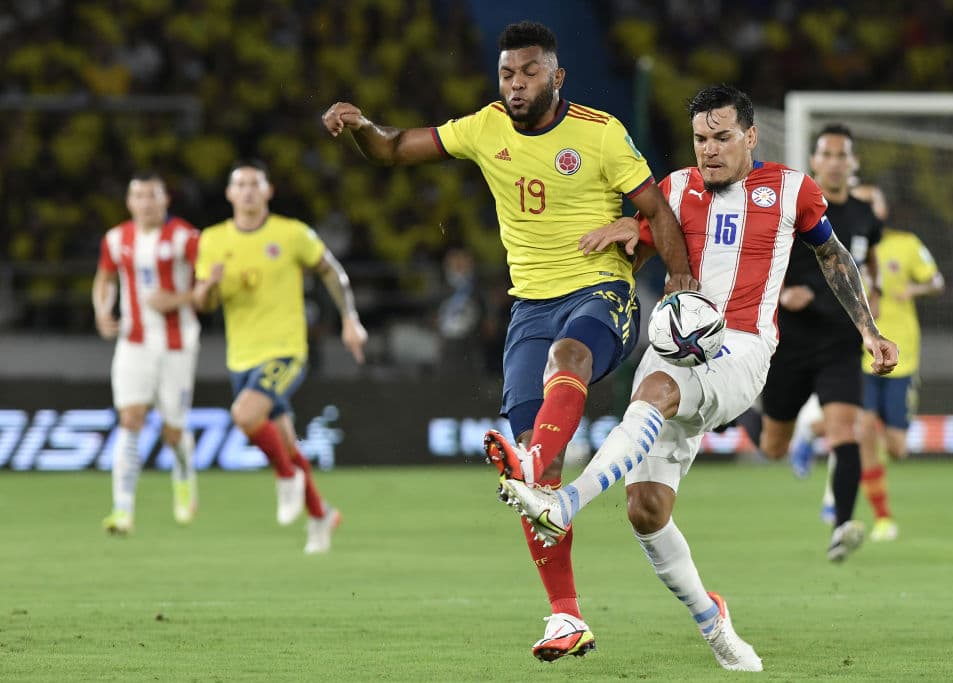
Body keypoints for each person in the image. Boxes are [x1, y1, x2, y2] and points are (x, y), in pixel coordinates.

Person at [321, 20, 695, 660]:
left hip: (601, 294)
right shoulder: (484, 126)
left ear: (557, 75)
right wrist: (360, 128)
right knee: (543, 473)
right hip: (529, 310)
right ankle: (565, 617)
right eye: (506, 74)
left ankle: (524, 466)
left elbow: (658, 209)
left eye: (527, 72)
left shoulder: (601, 134)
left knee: (567, 361)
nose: (515, 84)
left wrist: (682, 285)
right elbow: (390, 149)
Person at [500, 85, 899, 671]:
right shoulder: (674, 189)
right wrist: (625, 243)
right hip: (673, 342)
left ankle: (563, 504)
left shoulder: (792, 189)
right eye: (700, 139)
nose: (709, 150)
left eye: (721, 137)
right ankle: (716, 624)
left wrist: (869, 330)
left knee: (652, 393)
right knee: (646, 509)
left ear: (750, 136)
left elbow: (833, 255)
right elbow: (640, 243)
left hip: (742, 349)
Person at [191, 160, 368, 554]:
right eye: (241, 185)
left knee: (244, 414)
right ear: (229, 194)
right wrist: (210, 286)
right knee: (285, 443)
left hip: (287, 351)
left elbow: (331, 271)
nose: (249, 191)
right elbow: (201, 301)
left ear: (268, 191)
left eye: (256, 184)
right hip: (242, 357)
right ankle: (321, 514)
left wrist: (349, 317)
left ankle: (286, 478)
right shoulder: (213, 240)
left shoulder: (290, 234)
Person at [754, 123, 886, 562]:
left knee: (846, 430)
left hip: (839, 342)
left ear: (853, 162)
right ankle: (743, 413)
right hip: (791, 341)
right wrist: (785, 293)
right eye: (826, 154)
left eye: (841, 154)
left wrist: (876, 299)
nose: (834, 161)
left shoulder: (867, 216)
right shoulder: (796, 209)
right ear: (814, 162)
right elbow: (761, 261)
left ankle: (842, 524)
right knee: (772, 447)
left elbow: (869, 266)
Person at [93, 172, 200, 534]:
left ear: (165, 199)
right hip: (133, 341)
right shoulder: (115, 238)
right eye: (138, 195)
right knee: (130, 418)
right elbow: (105, 279)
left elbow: (211, 286)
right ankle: (122, 510)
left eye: (153, 195)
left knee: (173, 432)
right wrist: (102, 310)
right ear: (129, 201)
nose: (146, 202)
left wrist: (180, 299)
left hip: (177, 342)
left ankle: (184, 475)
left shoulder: (186, 237)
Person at [857, 226, 944, 541]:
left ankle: (876, 428)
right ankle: (882, 517)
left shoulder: (907, 244)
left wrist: (914, 290)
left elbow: (937, 281)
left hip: (902, 356)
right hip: (862, 355)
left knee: (897, 449)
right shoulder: (848, 245)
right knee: (863, 428)